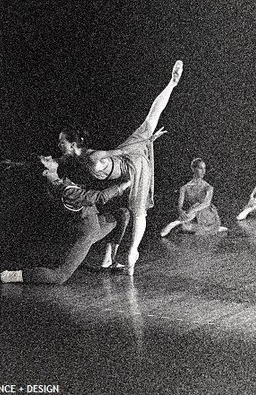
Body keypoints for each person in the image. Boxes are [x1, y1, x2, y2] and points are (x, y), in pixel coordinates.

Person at [57, 60, 184, 275]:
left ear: (72, 144)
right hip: (123, 162)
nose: (59, 145)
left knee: (138, 212)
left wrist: (147, 140)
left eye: (62, 142)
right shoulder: (75, 159)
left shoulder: (92, 157)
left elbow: (122, 152)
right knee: (128, 213)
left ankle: (131, 253)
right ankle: (116, 257)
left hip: (131, 163)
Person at [0, 155, 131, 284]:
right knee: (59, 276)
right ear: (46, 172)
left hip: (95, 225)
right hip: (86, 234)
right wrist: (125, 185)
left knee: (122, 214)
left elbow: (56, 161)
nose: (50, 156)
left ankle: (108, 260)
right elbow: (100, 197)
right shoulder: (66, 192)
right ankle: (9, 276)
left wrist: (15, 164)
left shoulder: (60, 182)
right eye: (47, 160)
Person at [160, 158, 226, 237]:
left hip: (207, 215)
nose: (203, 171)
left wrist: (192, 210)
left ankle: (174, 223)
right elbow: (180, 205)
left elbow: (206, 203)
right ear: (193, 169)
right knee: (186, 226)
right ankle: (207, 228)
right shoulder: (184, 187)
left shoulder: (208, 187)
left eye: (204, 168)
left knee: (197, 205)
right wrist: (180, 211)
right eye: (200, 168)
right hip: (192, 216)